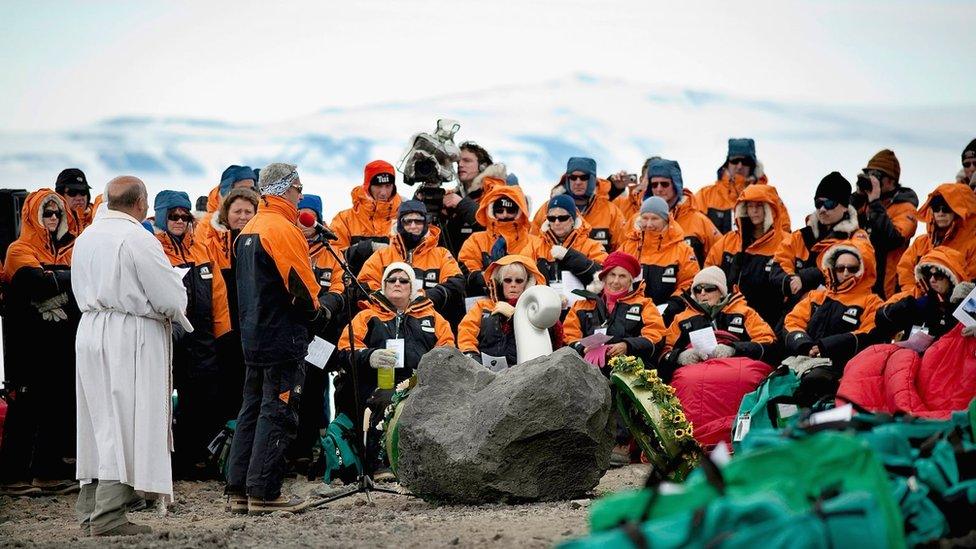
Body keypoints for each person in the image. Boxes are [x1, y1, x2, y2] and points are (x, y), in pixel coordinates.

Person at [72, 176, 193, 536]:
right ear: (141, 203)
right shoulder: (138, 237)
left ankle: (91, 509)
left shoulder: (87, 237)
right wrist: (178, 297)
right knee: (127, 418)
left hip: (91, 328)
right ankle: (108, 515)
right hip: (129, 334)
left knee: (98, 420)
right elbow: (168, 296)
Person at [224, 163, 324, 515]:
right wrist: (318, 310)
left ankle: (239, 488)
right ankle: (265, 492)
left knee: (251, 408)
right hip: (282, 335)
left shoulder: (249, 228)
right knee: (278, 410)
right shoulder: (282, 228)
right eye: (298, 187)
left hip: (253, 335)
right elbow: (299, 284)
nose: (300, 194)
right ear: (285, 189)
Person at [336, 262, 454, 473]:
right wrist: (370, 356)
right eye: (391, 279)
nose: (397, 283)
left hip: (420, 383)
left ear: (413, 287)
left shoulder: (433, 317)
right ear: (383, 285)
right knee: (383, 398)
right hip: (378, 382)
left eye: (403, 280)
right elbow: (344, 351)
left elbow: (449, 352)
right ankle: (380, 465)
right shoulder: (366, 316)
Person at [0, 190, 78, 496]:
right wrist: (63, 280)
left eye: (57, 214)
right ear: (33, 216)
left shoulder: (68, 249)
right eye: (47, 213)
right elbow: (36, 284)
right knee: (25, 408)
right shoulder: (18, 250)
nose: (53, 219)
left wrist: (57, 281)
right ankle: (11, 476)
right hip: (26, 345)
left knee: (56, 405)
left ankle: (47, 473)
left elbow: (64, 285)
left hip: (58, 343)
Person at [152, 190, 229, 479]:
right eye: (174, 215)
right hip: (167, 336)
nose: (180, 221)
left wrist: (224, 334)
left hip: (202, 337)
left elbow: (218, 295)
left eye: (185, 216)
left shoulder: (201, 249)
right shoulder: (153, 250)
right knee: (160, 400)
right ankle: (165, 462)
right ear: (162, 215)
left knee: (201, 400)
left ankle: (196, 458)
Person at [783, 240, 883, 401]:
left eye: (852, 268)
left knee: (813, 382)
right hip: (804, 359)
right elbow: (792, 322)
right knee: (776, 383)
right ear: (832, 268)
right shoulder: (816, 296)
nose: (845, 273)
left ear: (863, 270)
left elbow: (868, 334)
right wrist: (805, 345)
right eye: (840, 268)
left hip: (841, 367)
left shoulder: (872, 302)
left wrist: (825, 346)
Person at [291, 193, 345, 474]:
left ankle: (306, 449)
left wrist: (325, 307)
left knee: (313, 389)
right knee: (290, 390)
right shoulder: (288, 244)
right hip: (291, 328)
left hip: (321, 331)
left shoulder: (331, 252)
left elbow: (339, 287)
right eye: (300, 216)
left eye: (308, 217)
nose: (304, 223)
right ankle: (290, 448)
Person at [658, 267, 778, 382]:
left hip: (735, 371)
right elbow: (663, 352)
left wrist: (734, 349)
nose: (703, 293)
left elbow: (769, 344)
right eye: (698, 290)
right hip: (695, 374)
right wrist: (680, 356)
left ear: (721, 292)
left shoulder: (744, 313)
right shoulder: (681, 319)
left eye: (709, 288)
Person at [358, 200, 466, 327]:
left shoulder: (441, 254)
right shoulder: (382, 255)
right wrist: (395, 299)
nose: (413, 226)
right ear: (399, 224)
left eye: (418, 221)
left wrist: (424, 297)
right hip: (389, 324)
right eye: (408, 221)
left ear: (425, 223)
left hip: (432, 324)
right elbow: (364, 285)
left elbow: (456, 285)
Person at [771, 172, 869, 307]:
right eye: (818, 203)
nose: (822, 209)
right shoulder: (801, 236)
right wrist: (790, 281)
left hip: (834, 311)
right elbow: (780, 262)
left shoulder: (856, 238)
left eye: (829, 203)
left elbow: (855, 263)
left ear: (845, 206)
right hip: (794, 311)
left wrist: (805, 278)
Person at [203, 188, 259, 420]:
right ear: (227, 213)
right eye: (237, 211)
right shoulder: (214, 243)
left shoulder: (262, 240)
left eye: (249, 211)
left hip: (256, 326)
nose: (243, 216)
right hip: (227, 326)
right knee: (227, 385)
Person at [563, 251, 667, 369]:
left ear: (630, 280)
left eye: (622, 276)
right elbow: (569, 336)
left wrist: (627, 345)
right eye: (612, 274)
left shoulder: (644, 305)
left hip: (630, 370)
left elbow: (656, 336)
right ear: (604, 277)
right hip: (588, 369)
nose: (616, 281)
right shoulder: (581, 305)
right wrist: (582, 349)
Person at [705, 184, 789, 326]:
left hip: (769, 321)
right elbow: (708, 273)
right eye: (750, 206)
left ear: (770, 210)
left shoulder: (785, 243)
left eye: (759, 206)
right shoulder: (728, 241)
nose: (754, 211)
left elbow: (790, 285)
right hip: (726, 319)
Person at [458, 255, 557, 367]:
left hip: (525, 372)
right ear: (499, 281)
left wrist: (516, 315)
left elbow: (550, 338)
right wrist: (473, 358)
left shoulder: (536, 308)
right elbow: (466, 334)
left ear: (527, 283)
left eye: (519, 281)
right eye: (508, 280)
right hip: (485, 372)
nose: (513, 285)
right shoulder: (481, 306)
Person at [617, 196, 700, 325]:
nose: (649, 224)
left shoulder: (682, 250)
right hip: (630, 317)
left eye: (655, 218)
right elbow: (613, 276)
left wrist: (672, 305)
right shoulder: (628, 246)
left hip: (667, 318)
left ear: (666, 220)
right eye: (645, 218)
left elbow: (689, 282)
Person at [458, 184, 547, 298]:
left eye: (511, 210)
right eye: (499, 210)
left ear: (520, 211)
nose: (505, 215)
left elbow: (542, 279)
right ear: (491, 211)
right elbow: (467, 274)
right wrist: (493, 277)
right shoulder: (476, 240)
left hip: (526, 305)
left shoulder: (536, 244)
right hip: (484, 303)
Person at [853, 149, 919, 298]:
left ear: (891, 180)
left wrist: (875, 202)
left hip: (886, 286)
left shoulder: (906, 208)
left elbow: (893, 239)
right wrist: (857, 196)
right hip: (859, 280)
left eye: (876, 175)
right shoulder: (864, 202)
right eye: (869, 174)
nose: (872, 179)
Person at [692, 138, 791, 234]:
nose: (739, 166)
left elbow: (784, 230)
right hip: (715, 250)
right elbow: (690, 226)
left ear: (753, 166)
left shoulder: (770, 197)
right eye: (735, 160)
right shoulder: (705, 196)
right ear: (727, 163)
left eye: (746, 161)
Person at [874, 247, 970, 342]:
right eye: (929, 275)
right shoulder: (919, 301)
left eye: (938, 275)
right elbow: (881, 322)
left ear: (951, 278)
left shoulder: (967, 307)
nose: (932, 280)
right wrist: (896, 310)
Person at [531, 157, 627, 251]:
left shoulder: (611, 212)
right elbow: (533, 245)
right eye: (573, 177)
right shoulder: (547, 209)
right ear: (567, 179)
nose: (578, 182)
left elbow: (622, 249)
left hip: (599, 265)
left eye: (583, 177)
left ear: (593, 180)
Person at [896, 182, 976, 290]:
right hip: (918, 301)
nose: (941, 213)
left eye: (946, 208)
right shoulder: (920, 243)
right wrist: (914, 295)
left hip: (955, 303)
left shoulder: (972, 245)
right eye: (936, 207)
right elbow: (905, 271)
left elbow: (969, 282)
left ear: (958, 211)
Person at [645, 158, 721, 267]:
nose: (659, 189)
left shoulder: (699, 221)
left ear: (676, 184)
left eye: (665, 184)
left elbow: (720, 257)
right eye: (654, 185)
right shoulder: (640, 221)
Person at [332, 160, 402, 274]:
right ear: (367, 186)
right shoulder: (344, 219)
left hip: (396, 286)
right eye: (378, 186)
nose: (383, 192)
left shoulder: (406, 219)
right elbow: (332, 257)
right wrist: (366, 248)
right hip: (354, 287)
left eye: (388, 186)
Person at [439, 141, 497, 257]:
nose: (460, 164)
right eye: (458, 162)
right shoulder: (451, 195)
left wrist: (461, 204)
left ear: (483, 166)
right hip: (453, 264)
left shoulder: (497, 192)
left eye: (467, 160)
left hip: (485, 264)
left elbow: (496, 225)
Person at [536, 195, 607, 289]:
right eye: (552, 218)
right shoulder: (536, 246)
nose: (557, 222)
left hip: (584, 302)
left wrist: (569, 257)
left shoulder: (593, 246)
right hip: (545, 302)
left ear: (573, 220)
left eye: (563, 218)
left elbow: (604, 276)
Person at [194, 165, 258, 244]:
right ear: (226, 191)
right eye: (242, 189)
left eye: (252, 189)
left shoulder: (258, 219)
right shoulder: (207, 226)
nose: (249, 193)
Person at [55, 168, 93, 235]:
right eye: (72, 192)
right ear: (60, 196)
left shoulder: (99, 218)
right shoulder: (50, 221)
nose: (79, 198)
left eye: (83, 192)